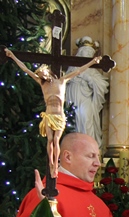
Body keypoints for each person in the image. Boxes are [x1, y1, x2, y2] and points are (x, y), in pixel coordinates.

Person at [4, 48, 102, 178]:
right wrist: (12, 56)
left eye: (43, 73)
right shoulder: (42, 83)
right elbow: (25, 69)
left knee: (56, 140)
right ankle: (51, 164)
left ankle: (56, 164)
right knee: (50, 141)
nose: (42, 76)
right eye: (40, 75)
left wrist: (93, 62)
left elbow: (78, 71)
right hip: (49, 116)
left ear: (48, 71)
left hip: (59, 116)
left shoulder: (62, 81)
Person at [65, 36, 110, 148]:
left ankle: (88, 149)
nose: (87, 54)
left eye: (90, 53)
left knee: (86, 120)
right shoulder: (72, 68)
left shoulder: (92, 71)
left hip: (85, 100)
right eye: (85, 51)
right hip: (72, 99)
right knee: (72, 123)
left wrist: (88, 78)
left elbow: (103, 85)